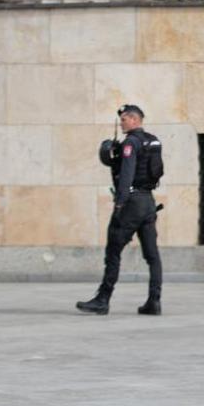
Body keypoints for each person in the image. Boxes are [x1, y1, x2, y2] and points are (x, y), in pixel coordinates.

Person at [76, 104, 164, 316]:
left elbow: (127, 174)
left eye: (124, 119)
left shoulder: (131, 143)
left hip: (131, 203)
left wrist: (119, 204)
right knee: (152, 255)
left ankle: (102, 300)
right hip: (148, 201)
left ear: (134, 120)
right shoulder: (153, 141)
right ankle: (154, 301)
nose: (122, 123)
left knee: (113, 251)